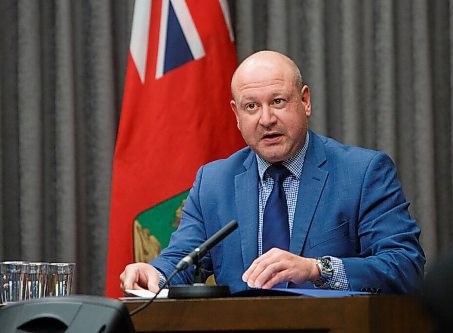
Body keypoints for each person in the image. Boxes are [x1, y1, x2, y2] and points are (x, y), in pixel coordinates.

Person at [120, 50, 425, 295]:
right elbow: (182, 260)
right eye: (251, 107)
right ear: (236, 115)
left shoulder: (362, 172)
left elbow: (404, 267)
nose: (266, 119)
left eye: (278, 101)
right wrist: (156, 273)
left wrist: (317, 269)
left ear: (304, 101)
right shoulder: (213, 183)